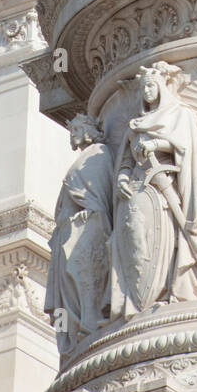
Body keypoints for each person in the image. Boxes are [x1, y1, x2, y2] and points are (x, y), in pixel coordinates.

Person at [110, 62, 197, 318]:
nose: (147, 92)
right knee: (139, 241)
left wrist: (157, 144)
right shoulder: (136, 124)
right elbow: (127, 160)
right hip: (138, 190)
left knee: (166, 238)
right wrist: (121, 178)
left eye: (151, 86)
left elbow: (184, 146)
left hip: (164, 188)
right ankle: (139, 298)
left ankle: (168, 286)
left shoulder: (179, 114)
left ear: (162, 88)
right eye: (143, 88)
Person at [45, 112, 113, 356]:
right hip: (67, 233)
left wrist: (92, 212)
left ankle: (89, 324)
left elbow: (100, 195)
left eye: (76, 129)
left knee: (82, 277)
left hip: (85, 230)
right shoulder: (88, 156)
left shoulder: (99, 154)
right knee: (67, 289)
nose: (72, 135)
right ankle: (74, 339)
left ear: (87, 130)